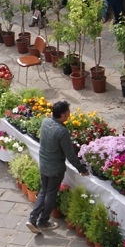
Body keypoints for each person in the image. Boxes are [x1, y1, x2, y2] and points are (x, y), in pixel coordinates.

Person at [26, 100, 88, 235]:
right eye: (68, 113)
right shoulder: (62, 131)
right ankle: (43, 221)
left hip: (44, 164)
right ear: (63, 115)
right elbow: (70, 155)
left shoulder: (45, 122)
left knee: (44, 191)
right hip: (55, 169)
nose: (70, 115)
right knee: (50, 194)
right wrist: (82, 169)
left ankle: (32, 218)